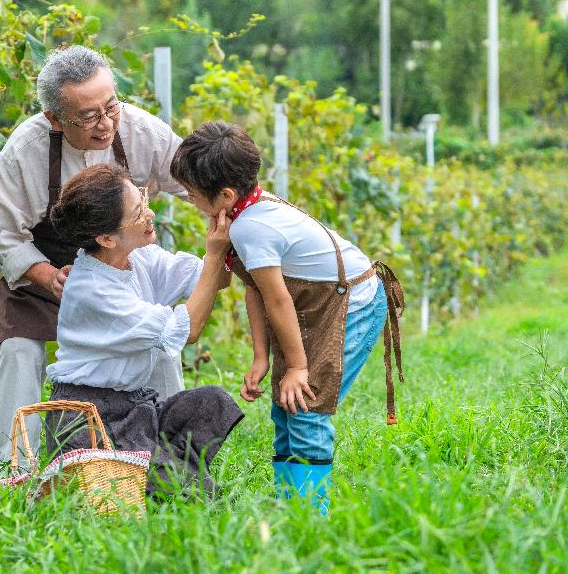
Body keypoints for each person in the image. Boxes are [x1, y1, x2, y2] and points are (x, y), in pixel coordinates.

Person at [169, 122, 405, 514]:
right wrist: (263, 357)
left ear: (225, 196)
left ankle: (311, 519)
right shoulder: (247, 212)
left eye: (192, 196)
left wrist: (296, 366)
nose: (190, 202)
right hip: (319, 305)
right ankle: (290, 509)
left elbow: (278, 300)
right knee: (286, 404)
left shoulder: (251, 227)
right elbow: (255, 288)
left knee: (306, 408)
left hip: (353, 304)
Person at [0, 45, 187, 468]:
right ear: (55, 118)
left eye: (111, 107)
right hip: (47, 276)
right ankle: (16, 470)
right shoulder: (25, 150)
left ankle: (173, 462)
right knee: (19, 351)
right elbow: (3, 235)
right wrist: (46, 276)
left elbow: (193, 179)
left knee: (161, 349)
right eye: (89, 117)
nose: (106, 123)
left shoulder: (140, 131)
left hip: (121, 271)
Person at [44, 163, 243, 495]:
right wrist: (215, 253)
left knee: (213, 402)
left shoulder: (139, 257)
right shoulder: (93, 289)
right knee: (196, 493)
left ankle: (161, 473)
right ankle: (162, 476)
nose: (149, 213)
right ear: (107, 238)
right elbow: (188, 330)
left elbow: (214, 278)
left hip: (133, 408)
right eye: (138, 212)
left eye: (143, 199)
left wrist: (221, 230)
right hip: (90, 421)